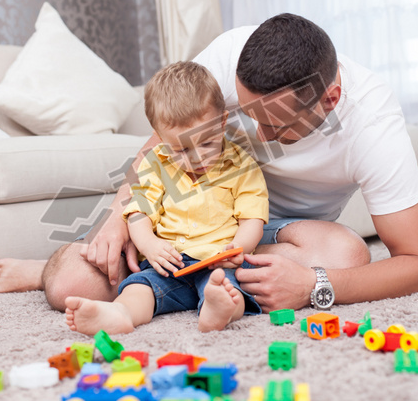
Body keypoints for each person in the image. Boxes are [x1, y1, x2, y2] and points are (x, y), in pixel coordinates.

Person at [0, 13, 418, 313]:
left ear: (331, 98)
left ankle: (174, 283)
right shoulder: (230, 55)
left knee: (345, 256)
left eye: (277, 126)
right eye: (248, 115)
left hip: (270, 233)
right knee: (72, 285)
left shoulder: (373, 123)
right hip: (186, 215)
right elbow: (159, 149)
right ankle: (45, 270)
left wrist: (313, 286)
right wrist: (120, 215)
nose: (260, 136)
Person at [63, 61, 268, 334]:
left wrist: (237, 247)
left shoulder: (242, 167)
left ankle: (218, 310)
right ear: (159, 138)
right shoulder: (154, 164)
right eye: (181, 150)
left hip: (216, 262)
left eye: (206, 143)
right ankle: (120, 314)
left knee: (228, 289)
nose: (196, 158)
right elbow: (138, 213)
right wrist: (149, 245)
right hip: (168, 263)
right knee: (140, 287)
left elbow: (252, 219)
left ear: (221, 124)